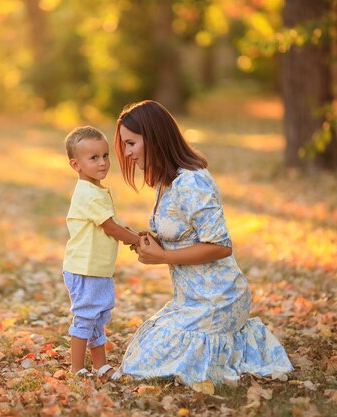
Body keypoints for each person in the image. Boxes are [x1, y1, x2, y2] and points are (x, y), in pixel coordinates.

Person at [113, 100, 293, 385]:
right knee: (140, 355)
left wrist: (163, 257)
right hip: (189, 298)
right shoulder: (165, 182)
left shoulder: (193, 182)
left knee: (146, 362)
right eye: (125, 145)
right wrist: (146, 240)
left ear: (154, 137)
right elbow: (184, 235)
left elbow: (221, 246)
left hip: (218, 298)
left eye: (132, 143)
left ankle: (234, 345)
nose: (127, 152)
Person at [62, 126, 140, 380]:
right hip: (85, 268)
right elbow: (109, 226)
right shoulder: (87, 193)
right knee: (85, 317)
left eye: (105, 155)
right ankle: (76, 368)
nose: (103, 162)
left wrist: (128, 233)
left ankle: (100, 365)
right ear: (76, 164)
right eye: (93, 158)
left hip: (97, 268)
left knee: (97, 319)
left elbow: (111, 225)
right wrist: (136, 240)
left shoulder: (96, 190)